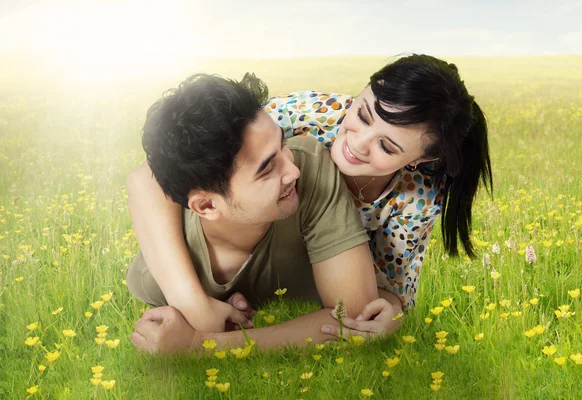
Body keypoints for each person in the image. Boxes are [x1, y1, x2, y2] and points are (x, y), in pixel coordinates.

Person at [129, 54, 493, 349]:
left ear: (419, 160)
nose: (358, 142)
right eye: (363, 115)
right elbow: (175, 164)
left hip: (331, 261)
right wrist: (195, 304)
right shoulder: (314, 115)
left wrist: (390, 310)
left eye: (386, 146)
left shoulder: (416, 199)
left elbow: (380, 299)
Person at [127, 72, 380, 353]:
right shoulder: (156, 276)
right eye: (267, 169)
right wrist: (193, 304)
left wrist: (200, 346)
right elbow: (145, 178)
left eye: (282, 144)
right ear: (207, 206)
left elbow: (356, 317)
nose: (292, 170)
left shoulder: (311, 167)